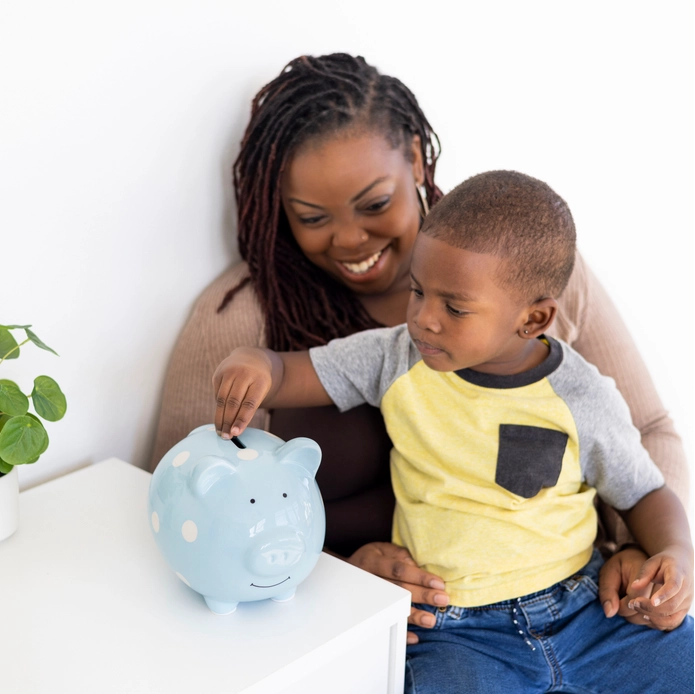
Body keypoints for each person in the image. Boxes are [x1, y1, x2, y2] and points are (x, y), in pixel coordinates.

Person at [150, 53, 690, 635]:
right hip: (400, 627)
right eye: (312, 217)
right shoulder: (241, 317)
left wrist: (641, 554)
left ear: (413, 156)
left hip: (567, 599)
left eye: (374, 203)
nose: (352, 238)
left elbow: (645, 430)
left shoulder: (525, 271)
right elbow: (178, 507)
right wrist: (336, 576)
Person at [211, 170, 694, 693]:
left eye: (454, 307)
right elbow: (293, 373)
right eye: (418, 291)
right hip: (453, 629)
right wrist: (257, 365)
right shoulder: (395, 356)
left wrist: (676, 556)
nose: (423, 319)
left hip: (584, 609)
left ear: (533, 320)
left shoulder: (581, 396)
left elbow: (645, 493)